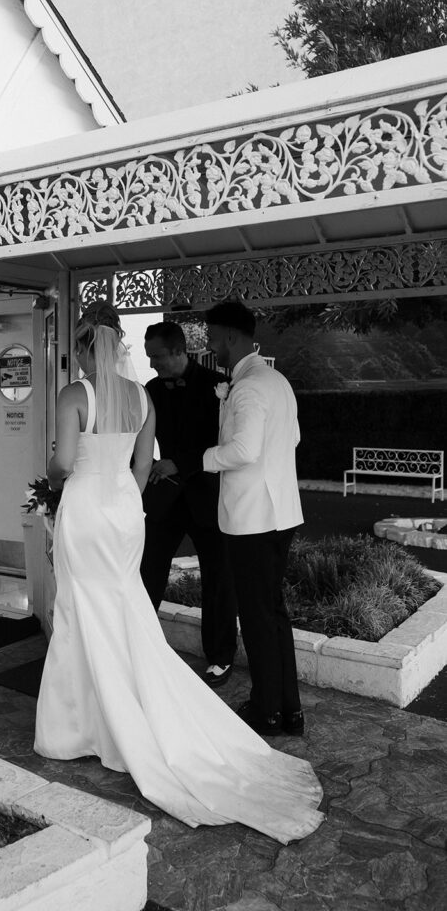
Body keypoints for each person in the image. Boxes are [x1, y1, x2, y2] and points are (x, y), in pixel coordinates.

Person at [34, 301, 324, 843]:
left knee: (84, 607)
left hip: (116, 508)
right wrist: (124, 497)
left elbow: (64, 463)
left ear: (83, 348)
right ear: (119, 346)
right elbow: (144, 464)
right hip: (129, 508)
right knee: (128, 603)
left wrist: (59, 481)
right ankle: (269, 708)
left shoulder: (77, 394)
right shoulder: (144, 395)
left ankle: (85, 722)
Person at [202, 301, 305, 738]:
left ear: (230, 336)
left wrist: (204, 458)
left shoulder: (246, 388)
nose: (210, 346)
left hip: (252, 519)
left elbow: (244, 451)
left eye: (211, 337)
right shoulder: (277, 381)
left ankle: (266, 712)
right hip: (281, 514)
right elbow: (293, 437)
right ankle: (288, 709)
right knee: (273, 613)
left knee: (258, 617)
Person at [140, 321, 236, 686]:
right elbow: (139, 438)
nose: (152, 364)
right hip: (164, 495)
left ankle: (221, 657)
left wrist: (179, 462)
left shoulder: (217, 385)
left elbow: (224, 442)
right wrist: (147, 466)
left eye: (157, 356)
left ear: (179, 351)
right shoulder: (151, 389)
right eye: (149, 357)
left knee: (218, 577)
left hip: (207, 495)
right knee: (146, 571)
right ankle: (138, 647)